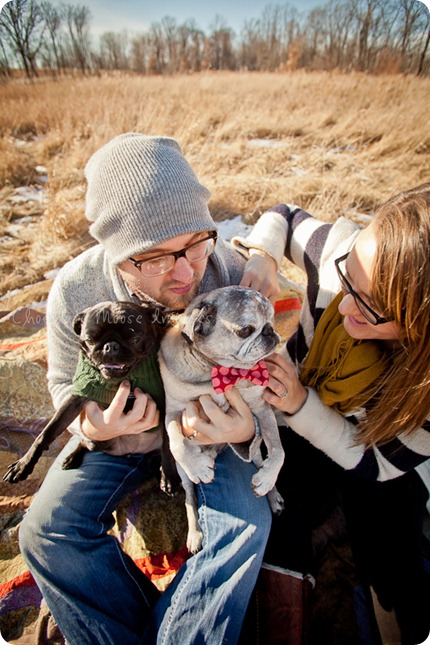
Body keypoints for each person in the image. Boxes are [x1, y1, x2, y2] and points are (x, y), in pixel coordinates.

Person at [18, 133, 280, 645]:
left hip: (205, 426)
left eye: (194, 244)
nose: (184, 272)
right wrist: (88, 424)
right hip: (120, 434)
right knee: (45, 532)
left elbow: (261, 370)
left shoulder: (225, 269)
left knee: (246, 523)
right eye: (154, 257)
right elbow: (60, 378)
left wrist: (246, 427)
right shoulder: (75, 288)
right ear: (114, 255)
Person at [234, 183, 430, 644]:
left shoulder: (424, 392)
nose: (342, 302)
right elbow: (284, 213)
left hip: (366, 449)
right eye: (349, 277)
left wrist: (303, 405)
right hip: (290, 427)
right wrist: (262, 253)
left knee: (393, 527)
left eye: (369, 305)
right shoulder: (341, 258)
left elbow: (376, 463)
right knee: (278, 522)